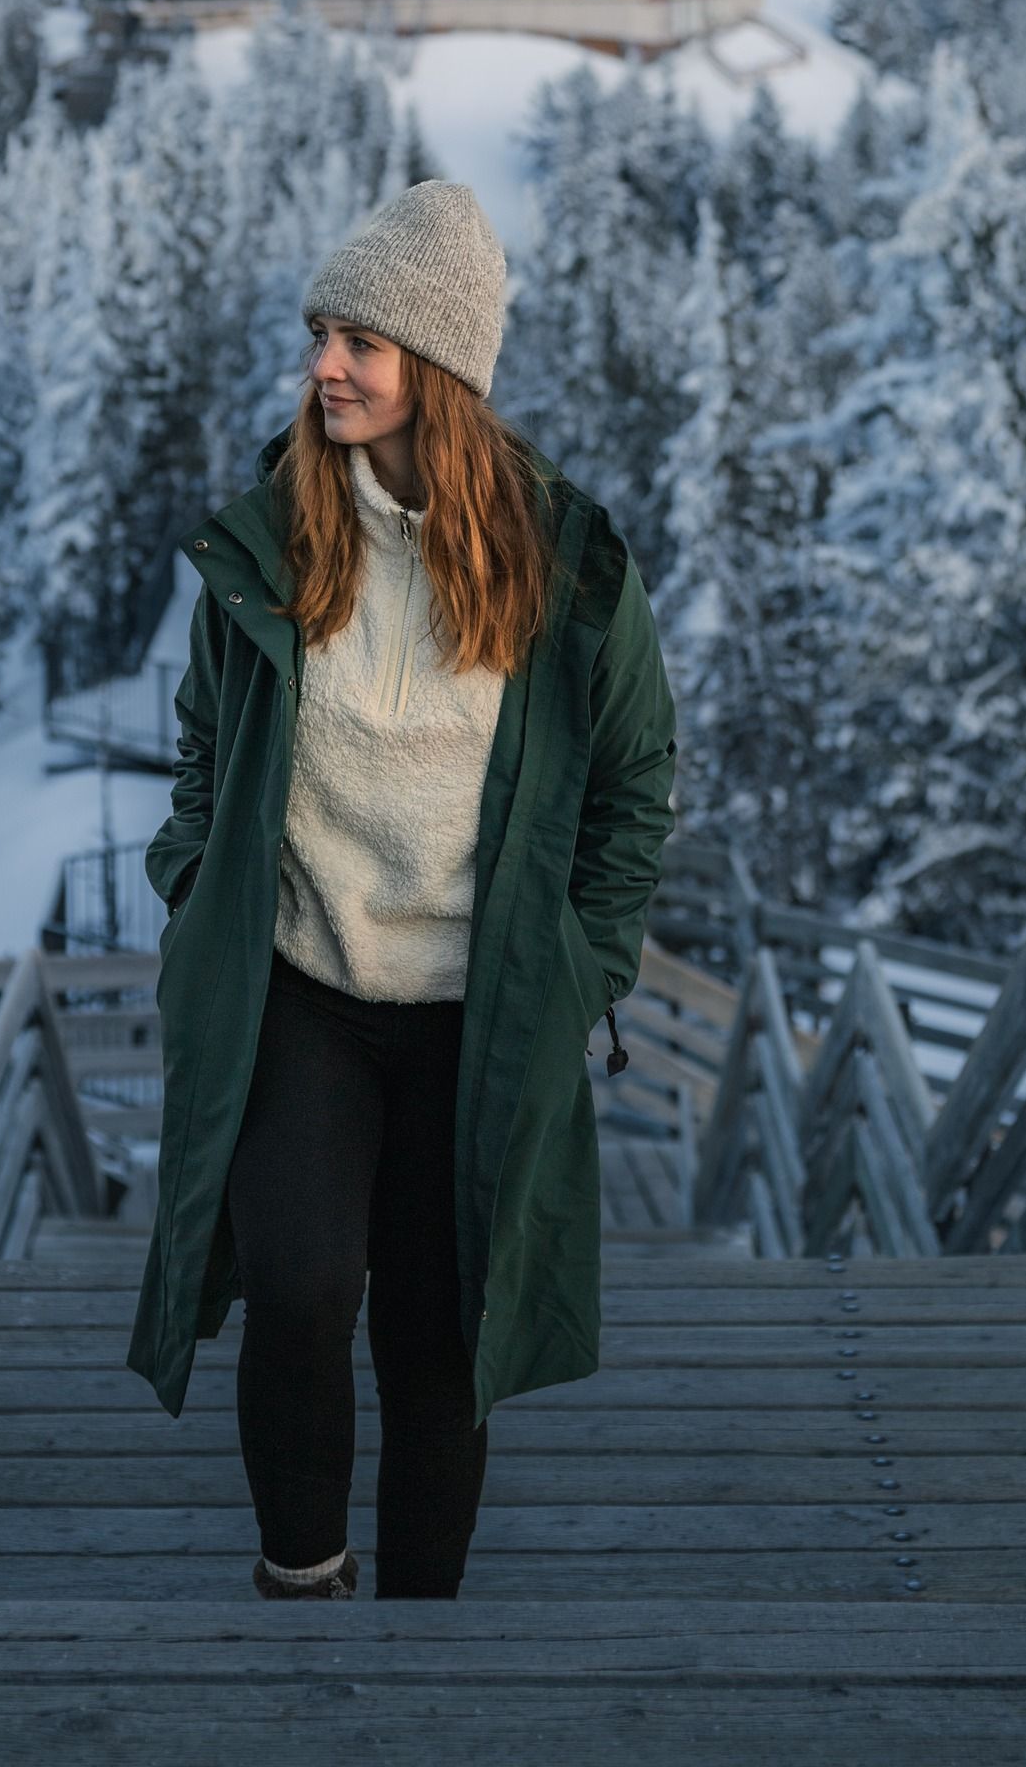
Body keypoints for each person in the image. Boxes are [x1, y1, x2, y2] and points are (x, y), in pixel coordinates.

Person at [128, 178, 677, 1601]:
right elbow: (204, 742)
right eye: (321, 332)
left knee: (439, 1332)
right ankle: (301, 1580)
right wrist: (195, 878)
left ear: (437, 367)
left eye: (360, 341)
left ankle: (426, 1631)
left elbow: (636, 785)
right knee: (301, 1290)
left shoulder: (568, 571)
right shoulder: (271, 542)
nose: (326, 365)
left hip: (475, 1010)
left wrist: (586, 967)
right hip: (304, 988)